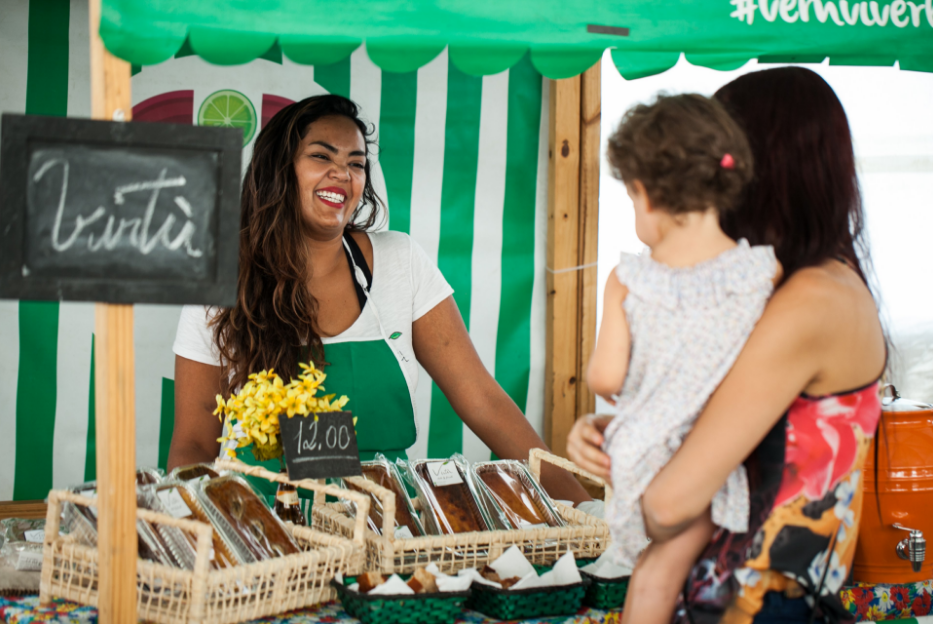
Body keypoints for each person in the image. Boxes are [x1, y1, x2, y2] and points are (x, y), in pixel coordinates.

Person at [567, 67, 885, 623]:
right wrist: (626, 424)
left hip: (752, 603)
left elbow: (668, 507)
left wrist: (638, 446)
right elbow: (710, 408)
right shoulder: (805, 283)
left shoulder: (810, 300)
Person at [169, 94, 587, 505]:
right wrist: (200, 532)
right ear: (279, 170)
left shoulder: (399, 262)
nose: (342, 174)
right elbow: (192, 442)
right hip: (264, 536)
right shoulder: (223, 280)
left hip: (386, 535)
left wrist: (584, 505)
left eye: (355, 163)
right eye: (321, 157)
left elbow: (484, 401)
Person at [589, 93, 778, 624]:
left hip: (644, 452)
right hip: (715, 454)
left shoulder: (630, 279)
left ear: (644, 193)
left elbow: (605, 377)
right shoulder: (763, 275)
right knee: (682, 567)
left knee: (652, 573)